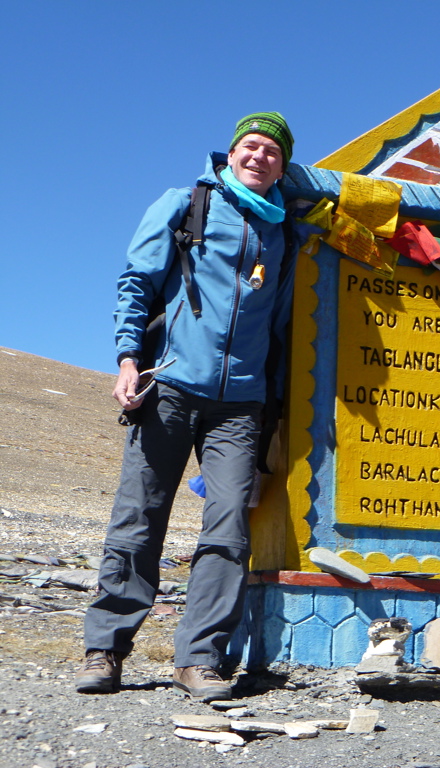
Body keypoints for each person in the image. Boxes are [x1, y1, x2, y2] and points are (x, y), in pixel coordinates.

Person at [76, 112, 297, 702]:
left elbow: (279, 326)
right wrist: (128, 358)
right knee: (139, 518)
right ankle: (106, 649)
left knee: (228, 528)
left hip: (242, 403)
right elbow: (137, 281)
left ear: (284, 164)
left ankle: (199, 660)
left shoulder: (285, 232)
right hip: (171, 386)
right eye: (251, 146)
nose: (260, 157)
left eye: (273, 152)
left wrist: (272, 402)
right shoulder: (187, 202)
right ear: (230, 152)